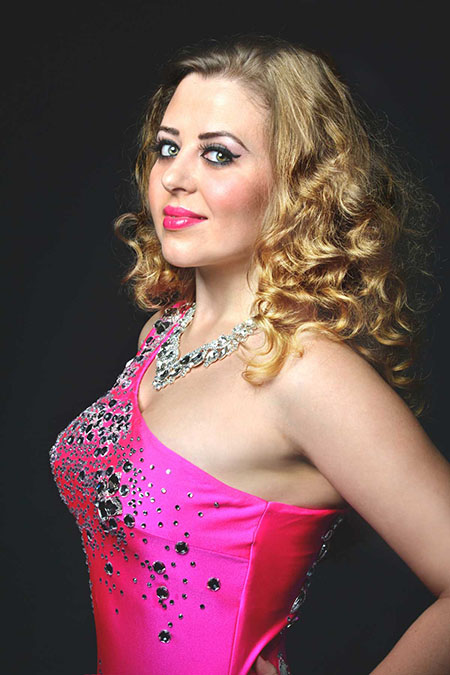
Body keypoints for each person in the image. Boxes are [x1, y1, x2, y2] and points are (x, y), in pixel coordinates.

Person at [49, 34, 450, 675]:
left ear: (298, 183)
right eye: (168, 147)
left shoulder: (306, 371)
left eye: (218, 155)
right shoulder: (163, 333)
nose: (175, 178)